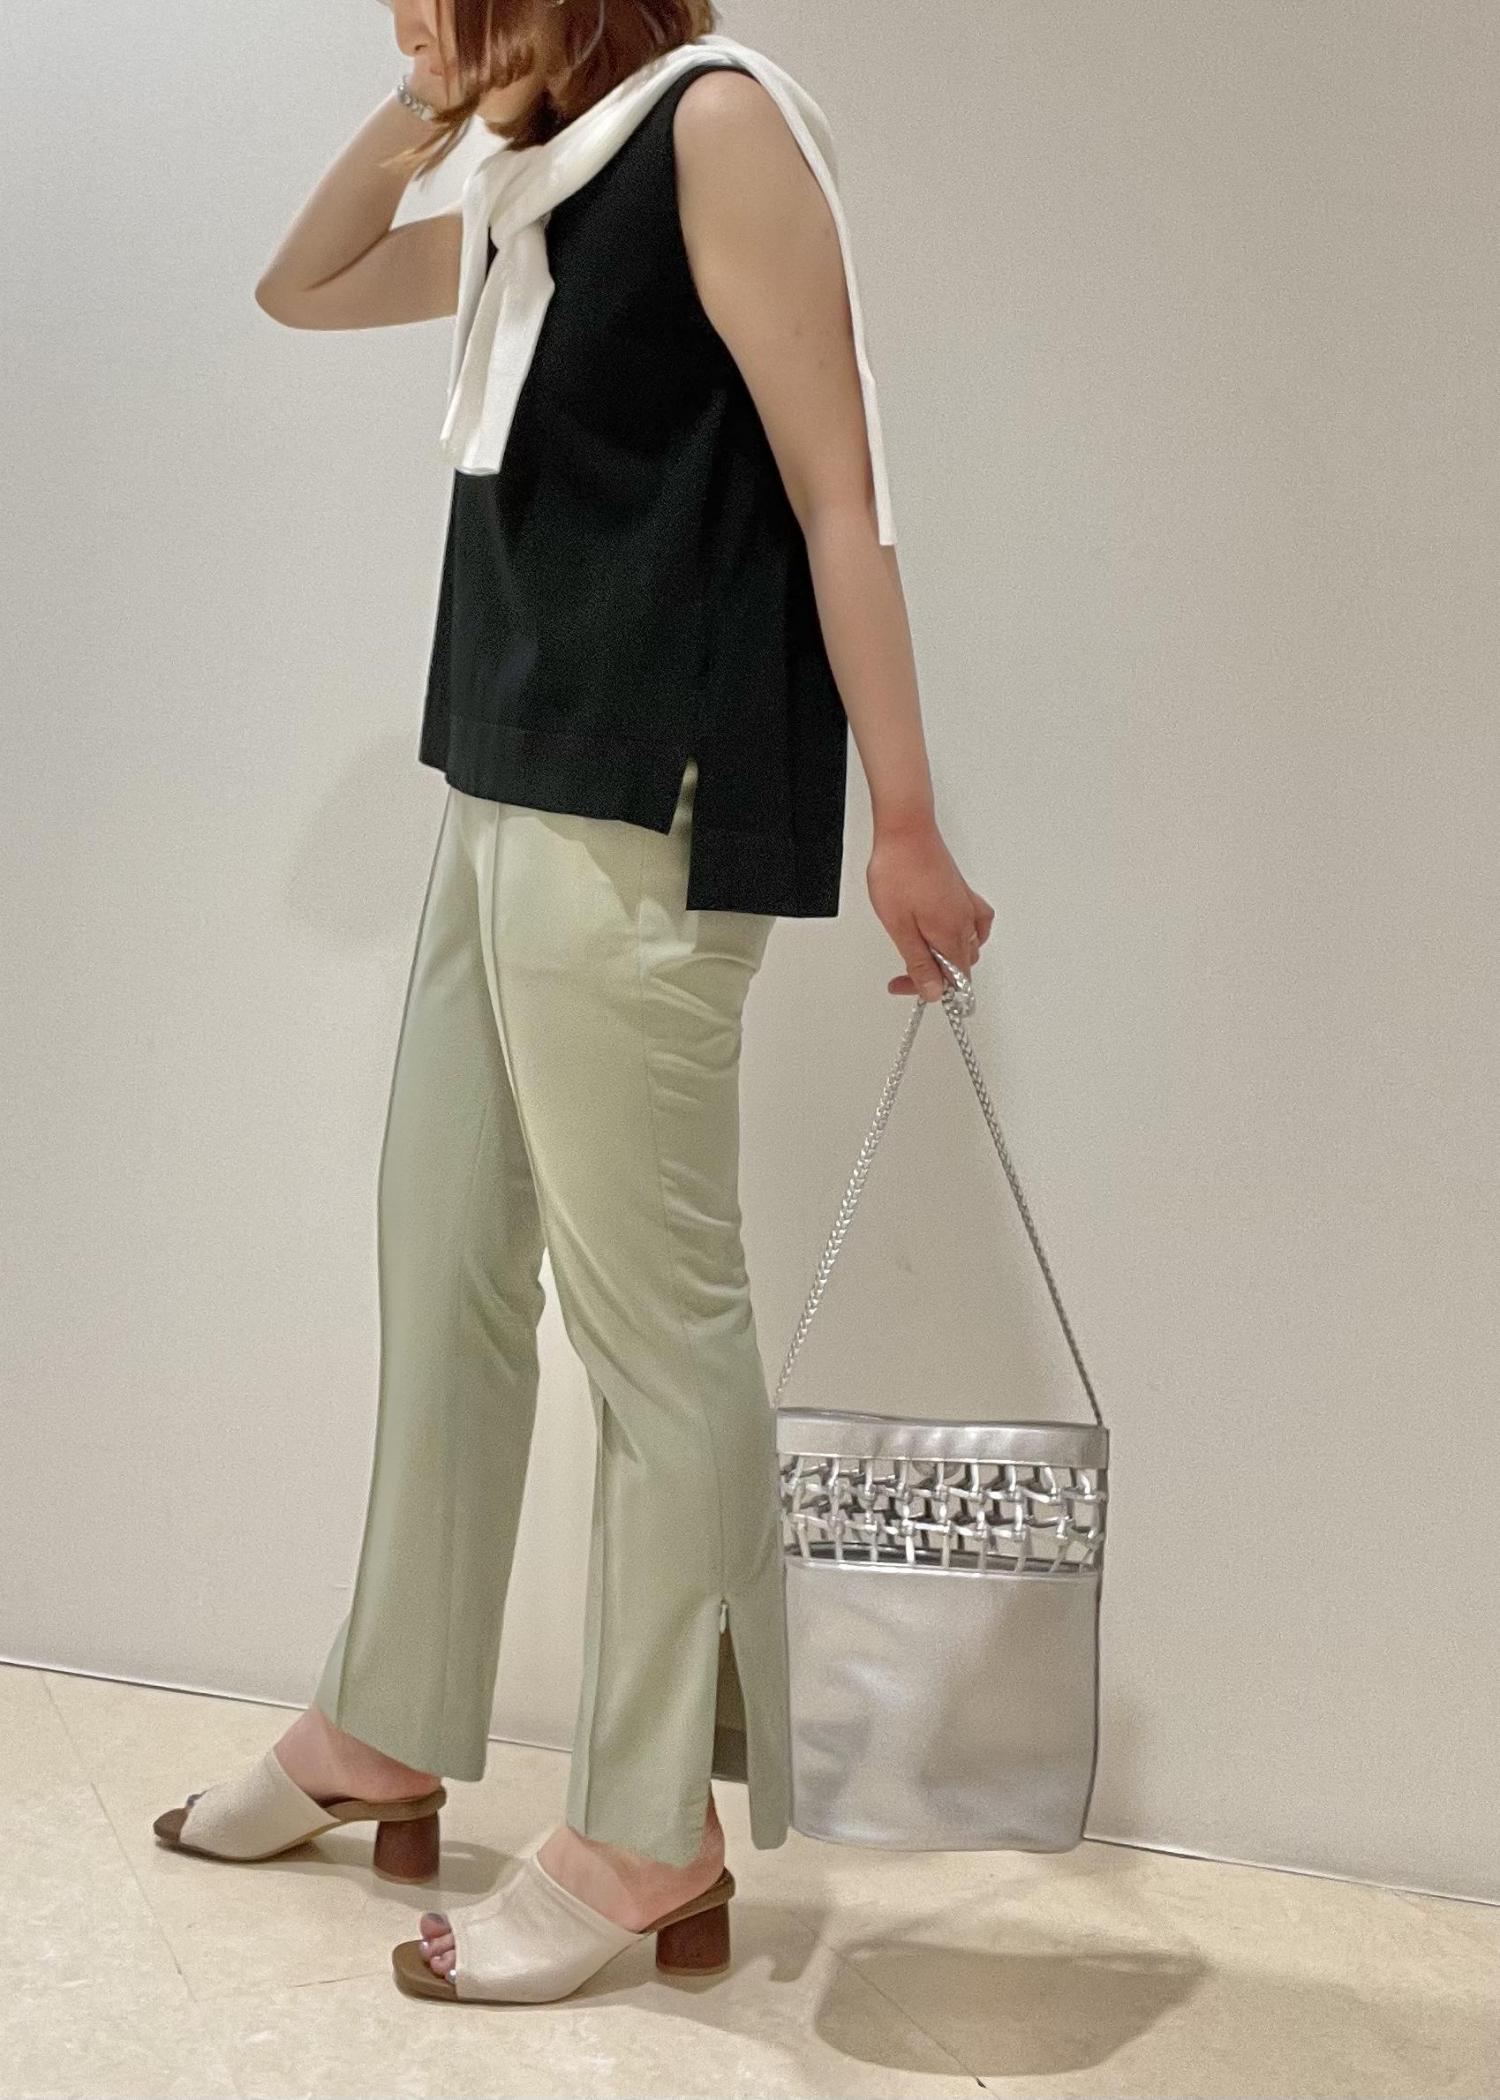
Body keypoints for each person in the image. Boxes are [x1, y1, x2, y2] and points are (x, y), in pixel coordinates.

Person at [152, 0, 993, 2005]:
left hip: (647, 806)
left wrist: (906, 818)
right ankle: (388, 1715)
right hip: (502, 781)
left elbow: (840, 489)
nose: (405, 9)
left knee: (654, 1327)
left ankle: (645, 1828)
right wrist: (431, 102)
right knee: (442, 1250)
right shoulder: (542, 175)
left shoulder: (720, 127)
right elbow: (301, 284)